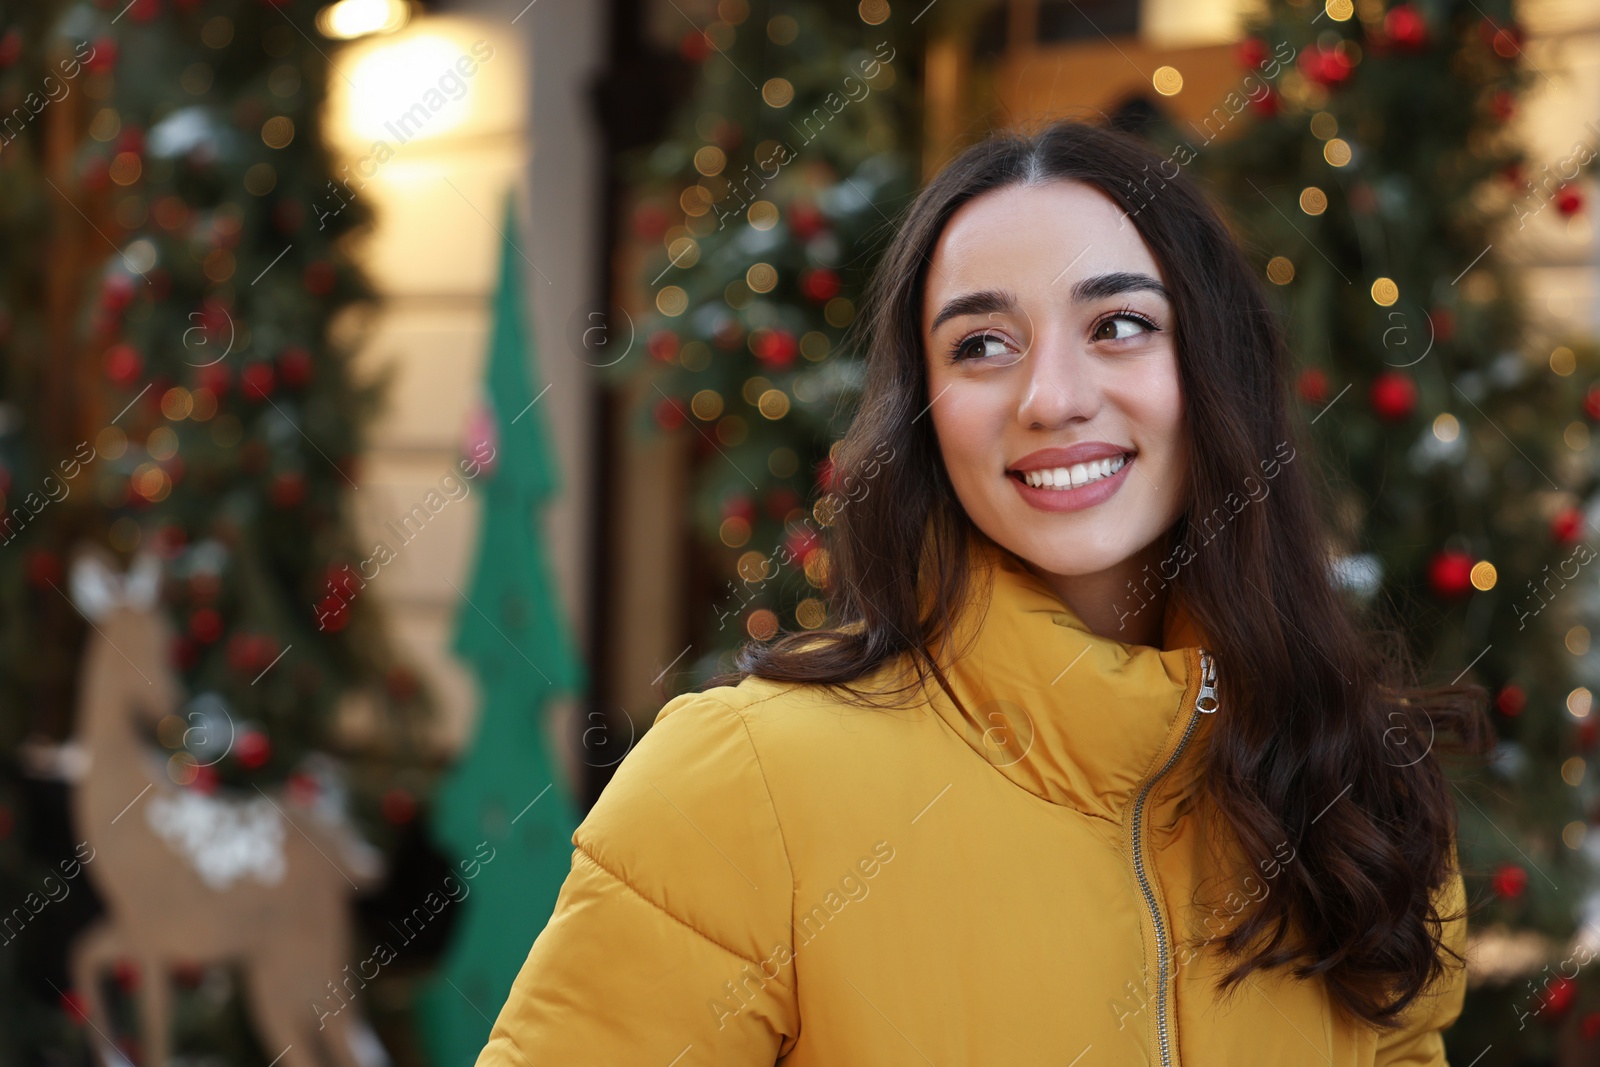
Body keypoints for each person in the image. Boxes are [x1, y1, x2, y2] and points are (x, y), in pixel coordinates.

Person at [474, 119, 1492, 1066]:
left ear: (1217, 367)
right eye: (981, 344)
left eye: (1121, 323)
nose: (1051, 397)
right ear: (923, 412)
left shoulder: (1359, 790)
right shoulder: (745, 784)